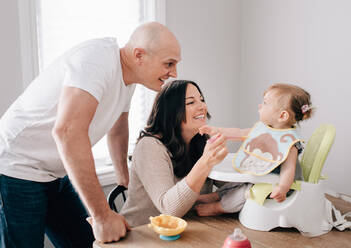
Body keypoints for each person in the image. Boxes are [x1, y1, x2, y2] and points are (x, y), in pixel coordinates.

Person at [0, 22, 181, 247]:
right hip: (18, 166)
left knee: (87, 243)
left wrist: (124, 178)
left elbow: (118, 127)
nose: (174, 73)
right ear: (139, 55)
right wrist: (102, 216)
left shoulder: (128, 78)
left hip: (55, 171)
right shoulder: (97, 62)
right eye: (169, 64)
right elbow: (67, 132)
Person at [120, 80, 228, 227]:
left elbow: (232, 183)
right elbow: (169, 209)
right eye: (191, 102)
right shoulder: (149, 146)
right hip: (141, 234)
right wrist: (205, 162)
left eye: (201, 100)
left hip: (186, 229)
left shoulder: (201, 141)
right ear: (171, 111)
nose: (202, 106)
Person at [195, 83, 314, 216]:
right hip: (263, 176)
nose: (260, 106)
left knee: (245, 191)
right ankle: (216, 196)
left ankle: (219, 207)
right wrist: (216, 130)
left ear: (282, 116)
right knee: (240, 182)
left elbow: (288, 170)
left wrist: (282, 188)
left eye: (265, 103)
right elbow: (240, 133)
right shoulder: (263, 128)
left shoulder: (289, 142)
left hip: (277, 184)